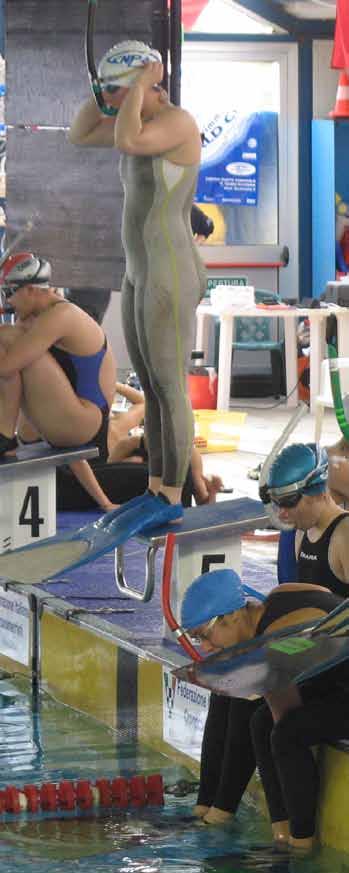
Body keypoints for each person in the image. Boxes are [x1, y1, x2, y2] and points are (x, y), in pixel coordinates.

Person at [69, 40, 207, 533]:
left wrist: (138, 85)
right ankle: (153, 487)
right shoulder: (140, 119)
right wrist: (104, 91)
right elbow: (80, 131)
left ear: (149, 85)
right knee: (149, 385)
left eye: (123, 91)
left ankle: (172, 492)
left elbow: (126, 141)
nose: (117, 100)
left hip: (170, 270)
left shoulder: (178, 122)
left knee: (171, 388)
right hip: (141, 270)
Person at [180, 568, 349, 850]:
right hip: (337, 676)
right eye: (198, 640)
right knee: (260, 720)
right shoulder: (279, 596)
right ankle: (276, 830)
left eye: (205, 636)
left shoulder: (276, 638)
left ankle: (300, 846)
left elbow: (282, 719)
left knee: (286, 734)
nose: (206, 647)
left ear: (233, 615)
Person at [0, 251, 117, 510]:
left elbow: (7, 367)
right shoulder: (37, 316)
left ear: (30, 289)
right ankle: (6, 438)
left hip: (84, 421)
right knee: (7, 339)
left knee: (7, 340)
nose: (7, 301)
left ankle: (5, 437)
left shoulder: (62, 316)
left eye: (9, 292)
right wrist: (105, 503)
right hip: (73, 421)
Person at [267, 443, 349, 595]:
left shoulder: (345, 535)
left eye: (289, 503)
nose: (281, 514)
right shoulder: (302, 531)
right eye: (278, 503)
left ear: (318, 493)